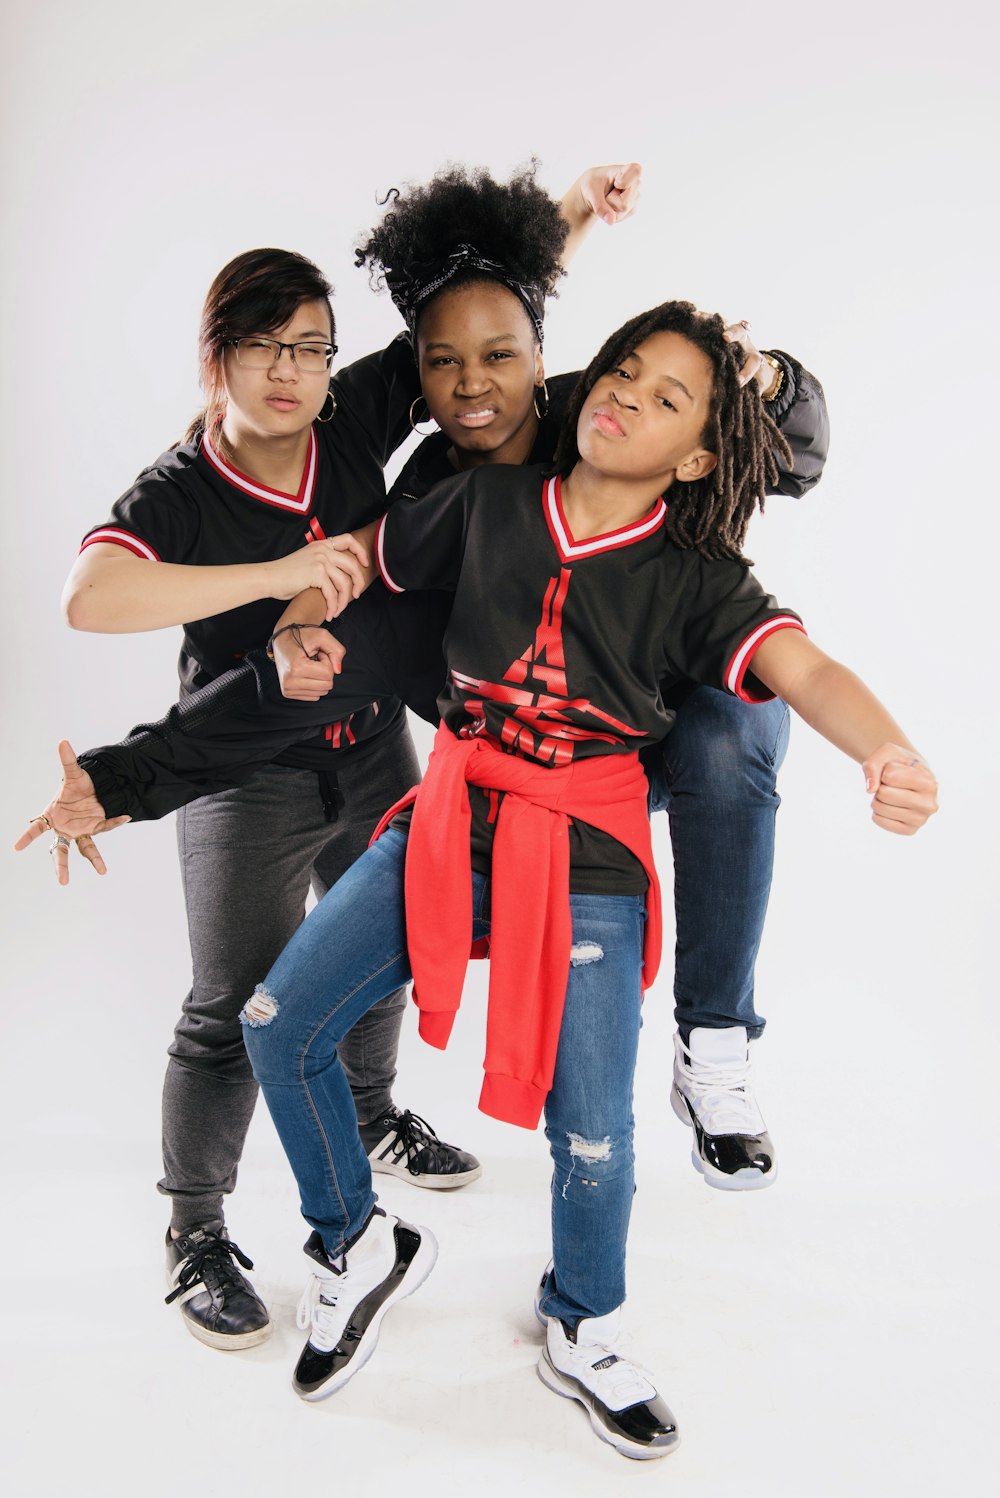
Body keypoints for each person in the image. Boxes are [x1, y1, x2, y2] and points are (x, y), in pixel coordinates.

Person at [18, 301, 936, 1460]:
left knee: (591, 1129)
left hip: (591, 852)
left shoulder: (702, 578)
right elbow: (354, 568)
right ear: (578, 383)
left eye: (668, 399)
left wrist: (888, 751)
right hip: (449, 820)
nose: (629, 399)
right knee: (275, 1018)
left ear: (699, 453)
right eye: (623, 372)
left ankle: (585, 1321)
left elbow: (808, 668)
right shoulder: (484, 498)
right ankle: (357, 1239)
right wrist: (300, 620)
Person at [60, 162, 831, 1232]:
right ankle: (221, 1214)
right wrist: (129, 775)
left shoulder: (593, 419)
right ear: (408, 380)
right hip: (416, 766)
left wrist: (765, 374)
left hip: (612, 750)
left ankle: (713, 1045)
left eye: (307, 349)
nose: (473, 386)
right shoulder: (425, 502)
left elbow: (779, 448)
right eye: (442, 367)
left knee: (741, 716)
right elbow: (315, 651)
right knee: (279, 986)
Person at [53, 162, 633, 1352]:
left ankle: (370, 1116)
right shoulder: (179, 488)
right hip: (248, 764)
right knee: (228, 1009)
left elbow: (480, 332)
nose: (288, 372)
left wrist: (571, 212)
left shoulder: (350, 417)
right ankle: (197, 1230)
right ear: (214, 357)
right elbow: (91, 596)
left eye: (310, 347)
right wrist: (274, 580)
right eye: (262, 347)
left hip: (371, 742)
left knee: (394, 947)